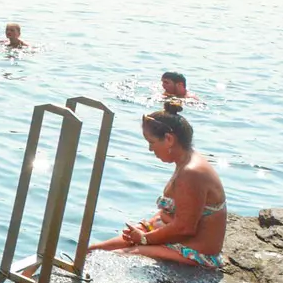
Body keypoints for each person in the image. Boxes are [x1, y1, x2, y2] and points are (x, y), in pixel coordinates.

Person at [91, 103, 226, 270]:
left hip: (195, 251)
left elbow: (185, 228)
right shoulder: (185, 162)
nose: (150, 149)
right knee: (93, 250)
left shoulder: (192, 172)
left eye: (152, 142)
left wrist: (145, 239)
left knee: (118, 256)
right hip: (169, 235)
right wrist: (146, 228)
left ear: (169, 139)